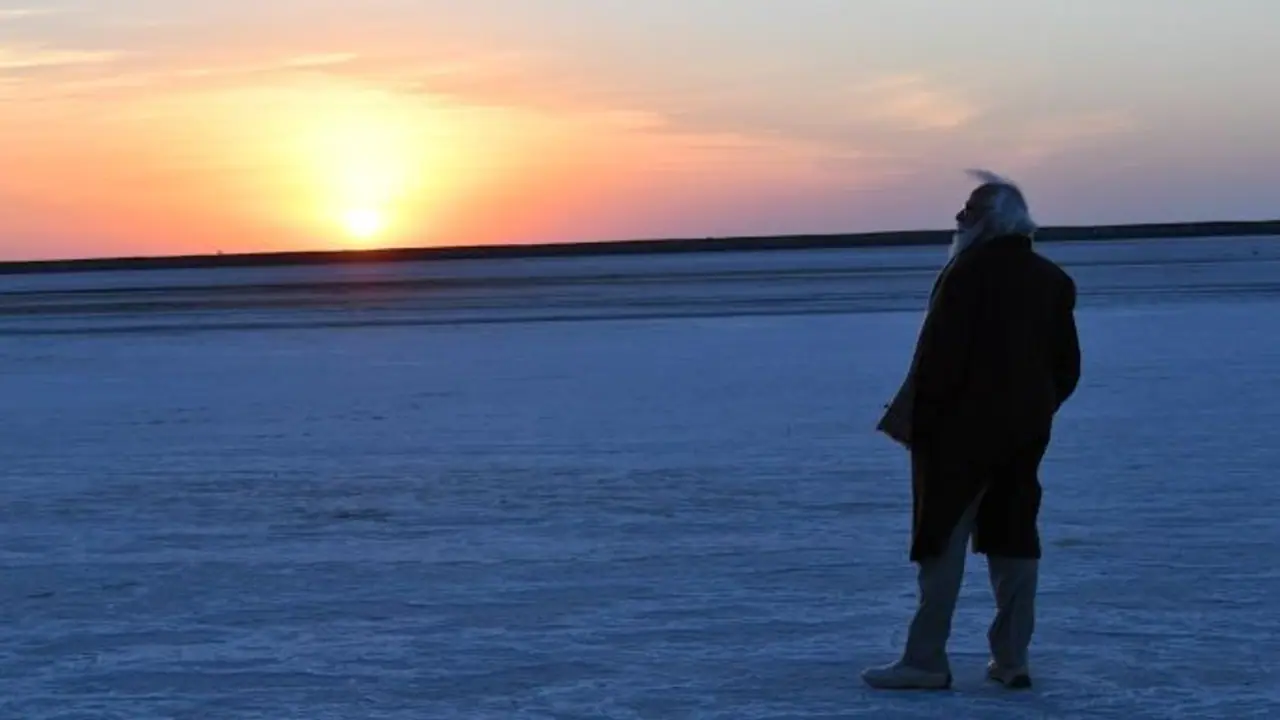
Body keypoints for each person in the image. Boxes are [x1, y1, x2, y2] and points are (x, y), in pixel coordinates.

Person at [863, 170, 1082, 691]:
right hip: (1024, 433)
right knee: (1015, 540)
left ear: (988, 221)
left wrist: (924, 423)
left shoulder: (965, 274)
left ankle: (926, 660)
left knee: (940, 543)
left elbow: (938, 361)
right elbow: (1067, 367)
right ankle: (1012, 660)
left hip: (957, 438)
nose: (958, 221)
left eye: (966, 212)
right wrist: (1036, 409)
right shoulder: (1052, 278)